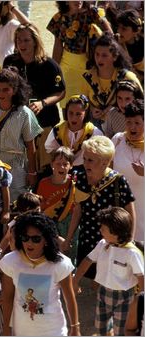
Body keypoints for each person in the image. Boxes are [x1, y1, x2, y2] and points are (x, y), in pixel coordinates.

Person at [63, 136, 136, 280]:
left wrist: (130, 241)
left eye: (90, 160)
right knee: (88, 278)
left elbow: (130, 213)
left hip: (112, 240)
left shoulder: (118, 181)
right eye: (84, 159)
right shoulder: (81, 179)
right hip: (87, 239)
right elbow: (78, 210)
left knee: (108, 279)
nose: (85, 163)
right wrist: (69, 238)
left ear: (104, 163)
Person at [0, 212, 80, 336]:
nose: (29, 243)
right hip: (21, 331)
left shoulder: (61, 264)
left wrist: (75, 327)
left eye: (36, 239)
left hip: (53, 331)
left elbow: (69, 298)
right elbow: (8, 298)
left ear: (46, 240)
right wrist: (6, 329)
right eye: (25, 238)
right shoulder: (10, 261)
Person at [3, 23, 66, 173]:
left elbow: (60, 92)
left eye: (26, 40)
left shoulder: (49, 65)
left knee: (45, 169)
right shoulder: (10, 62)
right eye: (18, 40)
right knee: (20, 170)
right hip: (18, 125)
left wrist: (43, 103)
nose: (22, 44)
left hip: (44, 125)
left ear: (35, 41)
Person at [73, 207, 144, 336]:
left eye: (103, 228)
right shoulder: (102, 244)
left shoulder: (131, 253)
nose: (100, 230)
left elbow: (141, 276)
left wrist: (141, 300)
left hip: (124, 297)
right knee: (101, 327)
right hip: (103, 293)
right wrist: (75, 280)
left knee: (121, 331)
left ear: (116, 232)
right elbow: (87, 261)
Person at [0, 67, 42, 200]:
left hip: (16, 166)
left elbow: (31, 146)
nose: (1, 93)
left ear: (14, 90)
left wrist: (32, 172)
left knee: (15, 201)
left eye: (6, 89)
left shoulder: (24, 113)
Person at [47, 1, 112, 108]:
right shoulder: (59, 18)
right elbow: (58, 45)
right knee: (68, 106)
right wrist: (55, 71)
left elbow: (110, 35)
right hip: (67, 69)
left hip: (91, 67)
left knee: (92, 106)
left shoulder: (93, 13)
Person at [82, 33, 143, 129]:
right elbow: (83, 101)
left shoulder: (127, 77)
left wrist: (116, 108)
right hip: (94, 126)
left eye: (104, 55)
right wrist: (92, 109)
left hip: (123, 125)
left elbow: (141, 102)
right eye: (97, 54)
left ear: (114, 57)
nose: (99, 59)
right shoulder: (88, 76)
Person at [36, 147, 78, 262]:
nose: (62, 167)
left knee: (69, 254)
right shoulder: (44, 183)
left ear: (71, 166)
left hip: (70, 224)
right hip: (51, 223)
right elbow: (41, 207)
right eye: (58, 163)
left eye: (65, 164)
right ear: (52, 165)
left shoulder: (74, 183)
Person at [112, 99, 144, 241]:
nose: (132, 127)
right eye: (129, 122)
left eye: (137, 123)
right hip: (120, 209)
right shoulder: (118, 140)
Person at [45, 94, 103, 169]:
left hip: (87, 170)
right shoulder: (58, 130)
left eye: (78, 114)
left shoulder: (94, 132)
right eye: (70, 113)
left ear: (85, 114)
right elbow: (50, 149)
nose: (73, 118)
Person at [117, 9, 144, 81]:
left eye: (124, 29)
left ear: (136, 31)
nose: (119, 31)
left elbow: (140, 79)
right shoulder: (116, 43)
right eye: (119, 27)